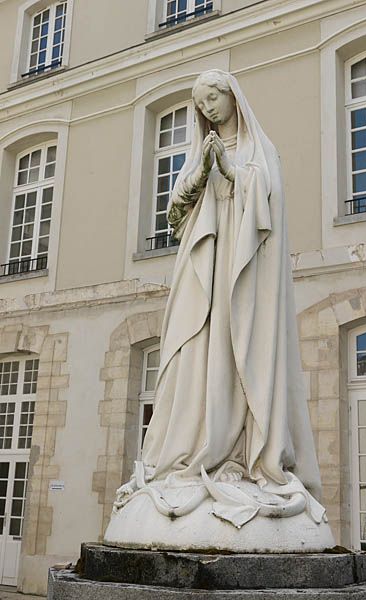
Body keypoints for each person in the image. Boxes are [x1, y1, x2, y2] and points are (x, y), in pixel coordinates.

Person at [113, 70, 324, 528]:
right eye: (199, 103)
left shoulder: (261, 152)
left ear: (232, 97)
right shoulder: (199, 153)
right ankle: (191, 445)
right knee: (190, 353)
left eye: (212, 98)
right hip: (202, 272)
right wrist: (203, 174)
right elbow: (174, 214)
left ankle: (246, 453)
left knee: (237, 352)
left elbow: (268, 210)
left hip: (245, 276)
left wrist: (230, 173)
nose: (206, 108)